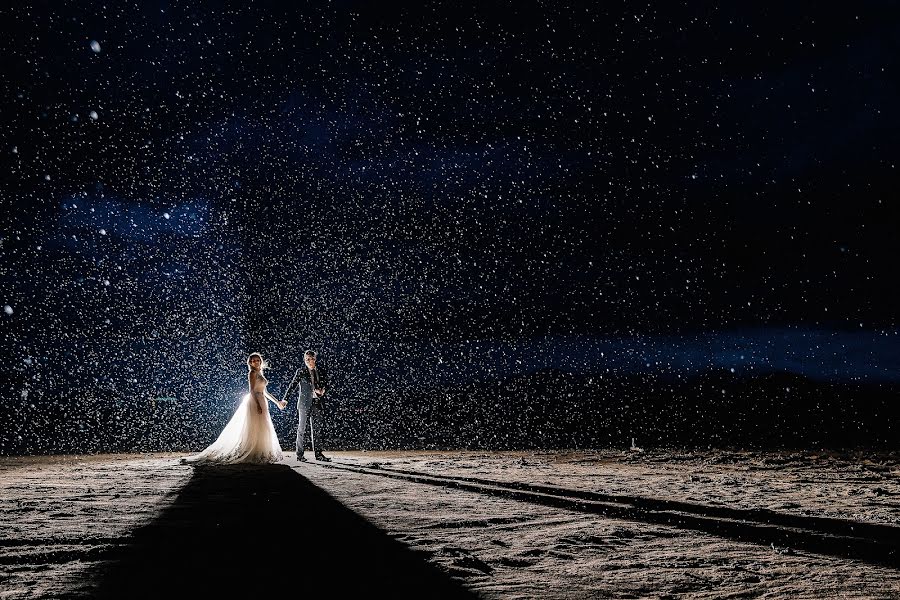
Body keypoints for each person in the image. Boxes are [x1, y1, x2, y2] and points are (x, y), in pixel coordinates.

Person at [184, 352, 287, 464]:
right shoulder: (252, 373)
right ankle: (250, 451)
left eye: (257, 360)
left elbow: (265, 392)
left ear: (260, 361)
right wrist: (257, 404)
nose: (254, 362)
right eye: (252, 361)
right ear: (250, 363)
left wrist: (277, 402)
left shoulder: (260, 373)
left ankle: (259, 451)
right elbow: (251, 391)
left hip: (262, 400)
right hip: (254, 401)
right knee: (254, 426)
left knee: (262, 426)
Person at [282, 349, 330, 462]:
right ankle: (300, 455)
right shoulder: (301, 371)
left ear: (315, 359)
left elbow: (326, 384)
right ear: (304, 360)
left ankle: (318, 455)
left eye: (312, 359)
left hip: (317, 403)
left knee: (316, 430)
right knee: (301, 429)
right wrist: (285, 399)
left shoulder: (321, 371)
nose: (309, 361)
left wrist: (323, 390)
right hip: (304, 404)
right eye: (307, 359)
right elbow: (292, 385)